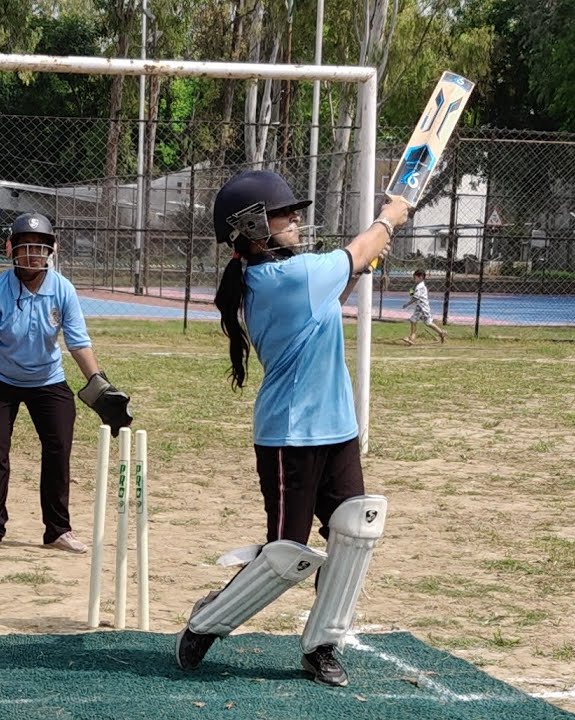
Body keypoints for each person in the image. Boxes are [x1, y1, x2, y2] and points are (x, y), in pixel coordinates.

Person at [174, 170, 409, 687]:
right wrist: (390, 219)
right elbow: (361, 246)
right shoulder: (285, 278)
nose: (296, 218)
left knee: (355, 533)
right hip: (289, 437)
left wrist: (363, 262)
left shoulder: (292, 276)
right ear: (254, 226)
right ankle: (206, 623)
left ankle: (322, 645)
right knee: (287, 554)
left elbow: (333, 290)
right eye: (284, 213)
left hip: (336, 428)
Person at [0, 212, 133, 554]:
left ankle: (58, 529)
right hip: (2, 379)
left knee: (58, 450)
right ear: (11, 250)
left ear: (51, 251)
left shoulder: (63, 289)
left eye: (39, 248)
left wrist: (99, 385)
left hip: (48, 379)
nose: (32, 255)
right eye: (25, 247)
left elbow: (78, 343)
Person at [402, 269, 447, 345]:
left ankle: (413, 337)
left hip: (422, 308)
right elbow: (413, 295)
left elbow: (415, 298)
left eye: (415, 278)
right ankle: (441, 332)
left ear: (421, 277)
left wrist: (407, 304)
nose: (414, 279)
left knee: (420, 321)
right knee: (423, 322)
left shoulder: (420, 287)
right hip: (420, 307)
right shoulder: (417, 286)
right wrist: (411, 290)